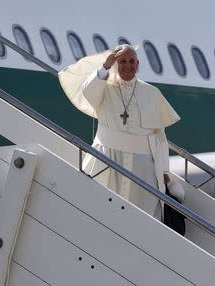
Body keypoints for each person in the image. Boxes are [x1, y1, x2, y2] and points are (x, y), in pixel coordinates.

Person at [59, 45, 180, 220]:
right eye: (122, 61)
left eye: (132, 61)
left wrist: (165, 173)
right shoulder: (104, 87)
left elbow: (159, 137)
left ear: (137, 64)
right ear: (116, 63)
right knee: (98, 213)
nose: (128, 66)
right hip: (107, 160)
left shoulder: (152, 93)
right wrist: (105, 66)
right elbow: (88, 91)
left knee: (141, 218)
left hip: (142, 169)